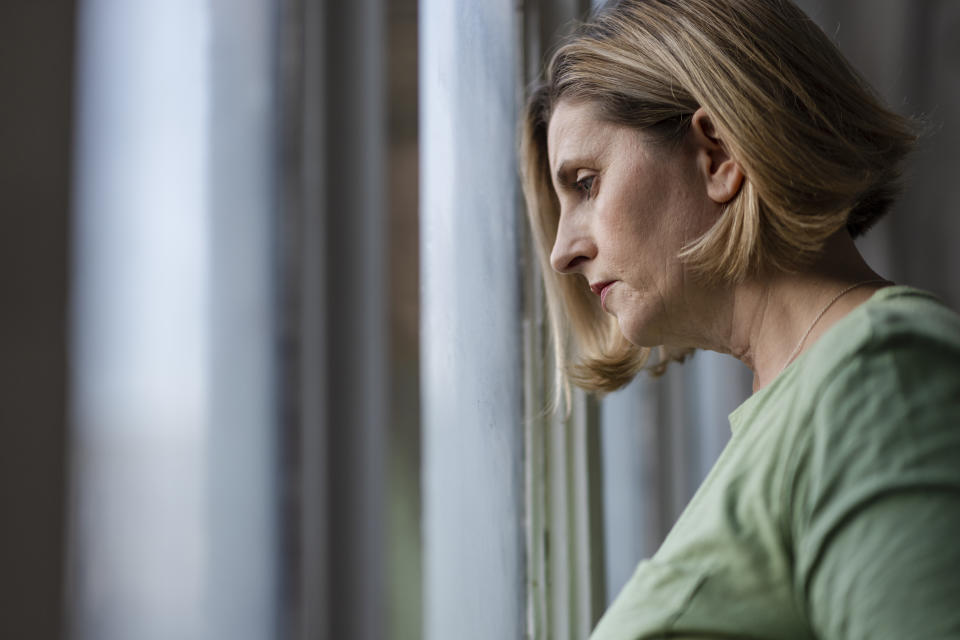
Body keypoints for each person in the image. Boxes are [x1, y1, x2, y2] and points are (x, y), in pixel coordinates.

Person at [520, 1, 960, 638]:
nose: (562, 252)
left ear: (718, 153)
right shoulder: (804, 406)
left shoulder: (880, 378)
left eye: (586, 183)